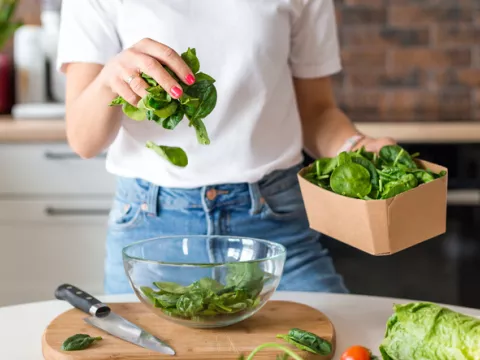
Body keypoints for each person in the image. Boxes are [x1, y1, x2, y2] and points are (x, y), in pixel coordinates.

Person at [56, 0, 395, 295]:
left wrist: (356, 147)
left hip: (274, 222)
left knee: (336, 341)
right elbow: (83, 139)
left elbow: (317, 112)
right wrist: (108, 79)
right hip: (152, 228)